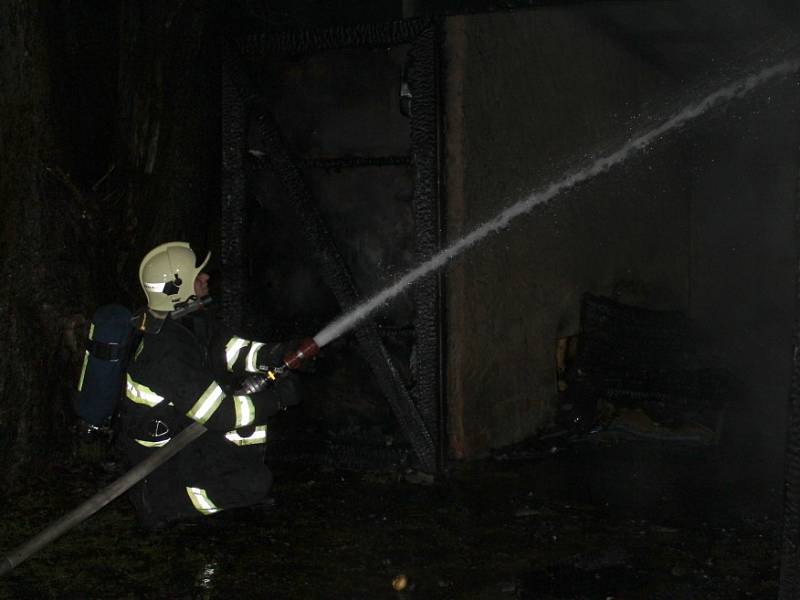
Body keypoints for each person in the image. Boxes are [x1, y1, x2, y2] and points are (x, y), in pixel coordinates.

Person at [117, 241, 302, 529]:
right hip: (163, 461)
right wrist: (277, 400)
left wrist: (276, 354)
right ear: (175, 288)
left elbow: (226, 350)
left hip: (187, 430)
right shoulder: (165, 352)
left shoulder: (185, 323)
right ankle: (172, 505)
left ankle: (227, 484)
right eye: (197, 275)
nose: (205, 278)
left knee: (251, 425)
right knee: (255, 481)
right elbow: (220, 414)